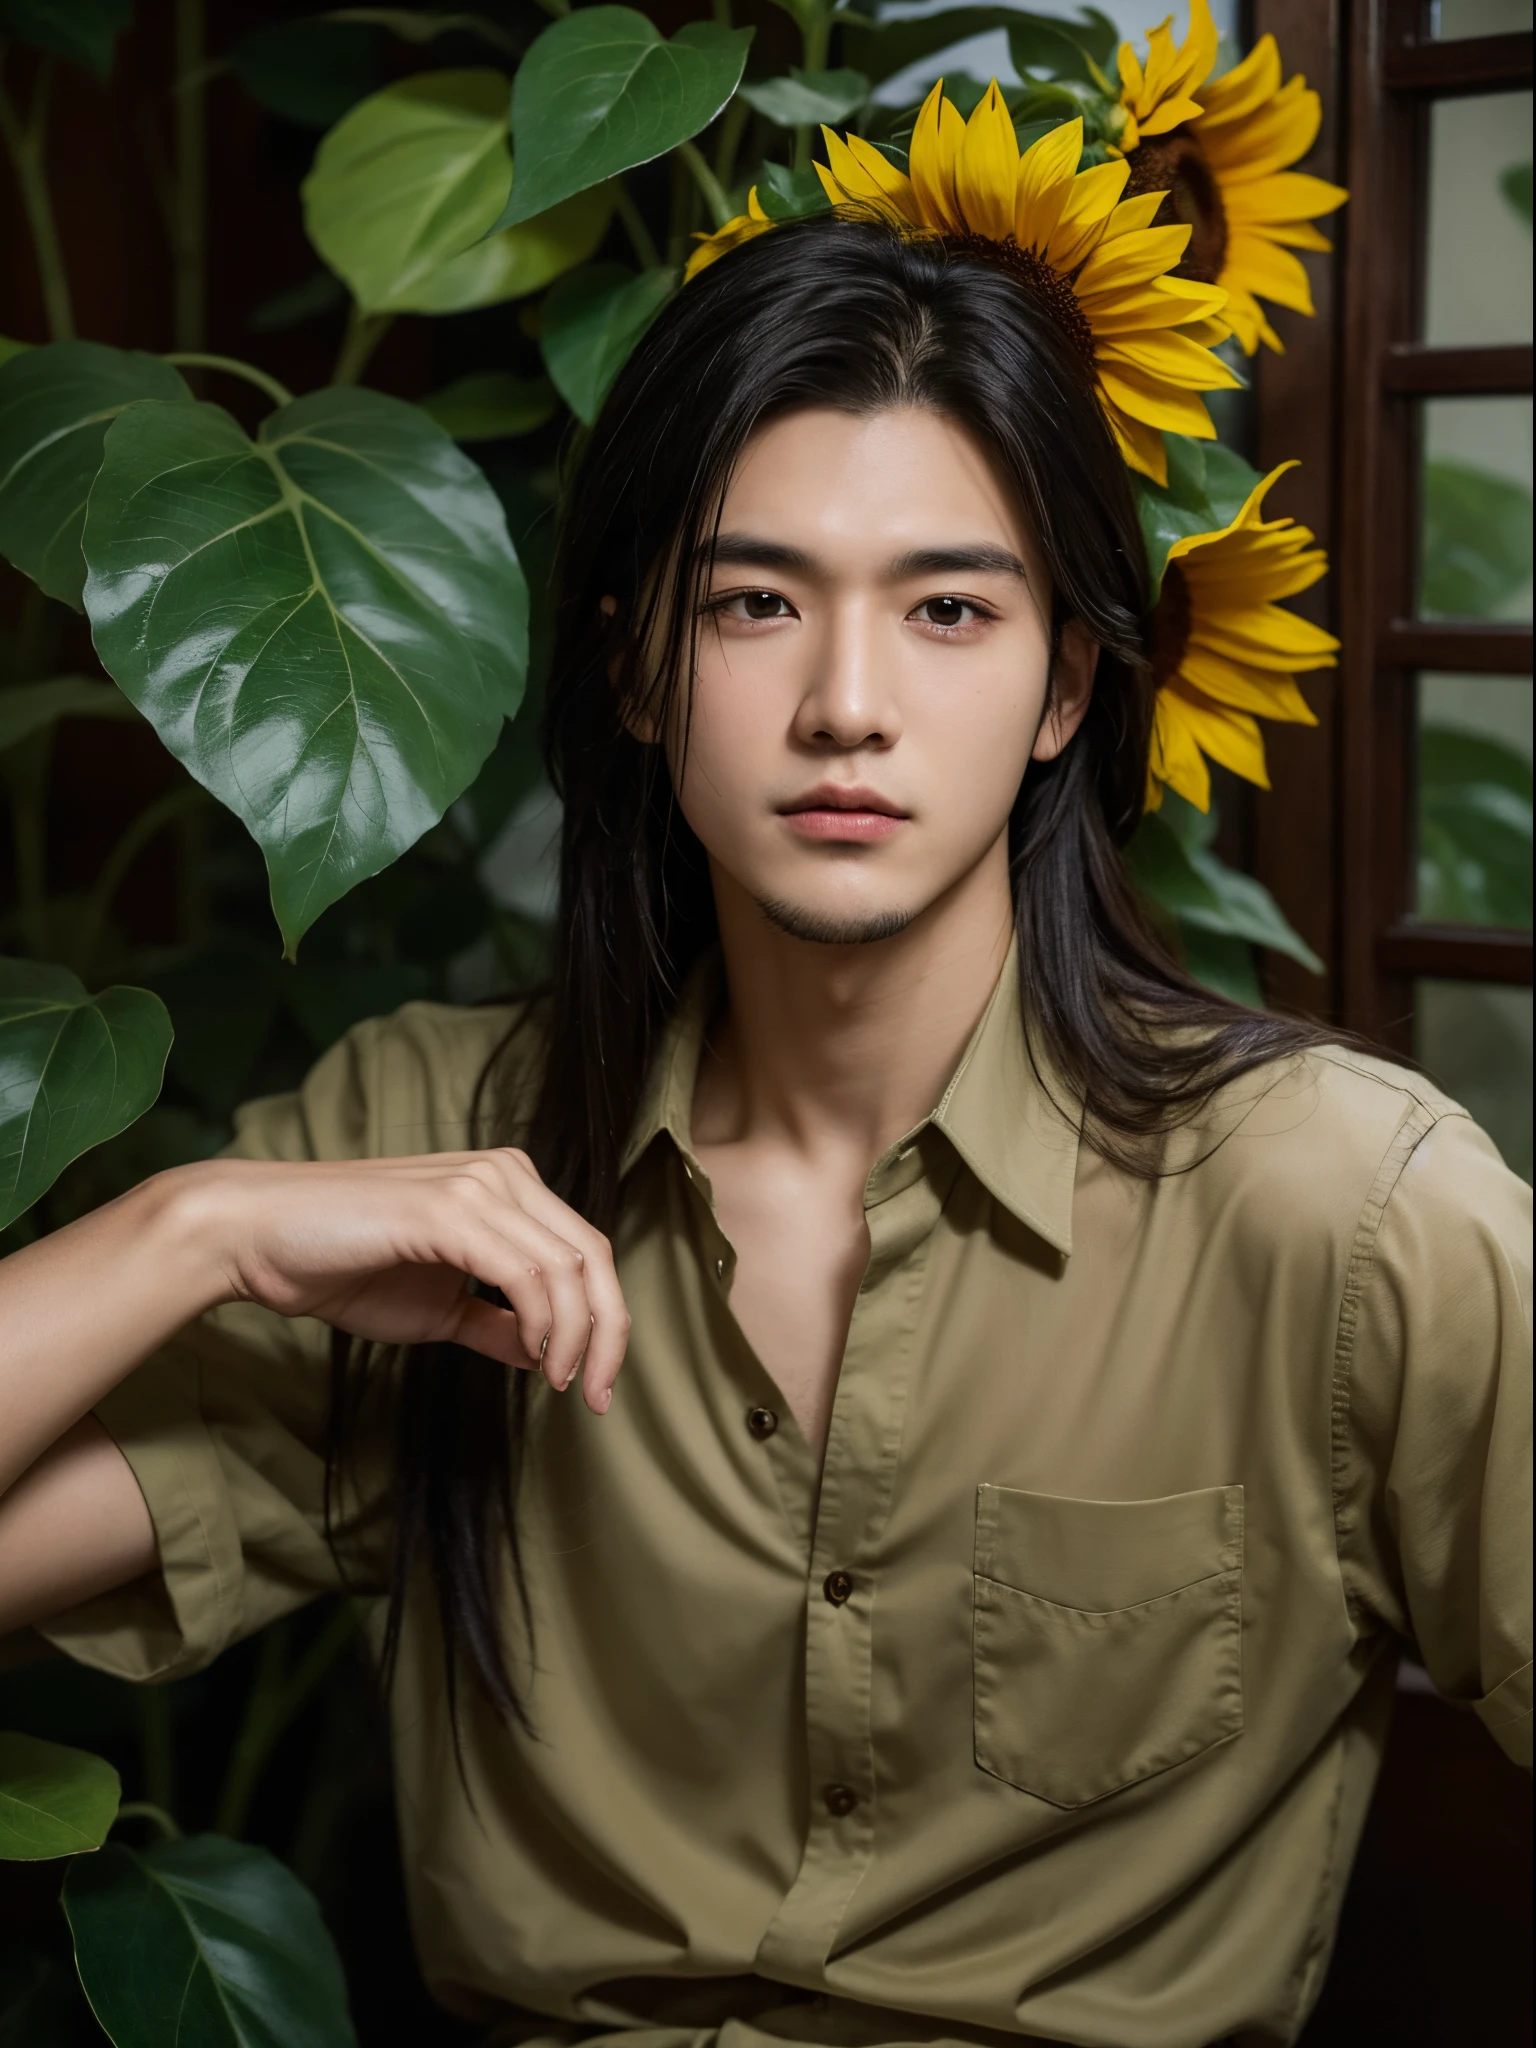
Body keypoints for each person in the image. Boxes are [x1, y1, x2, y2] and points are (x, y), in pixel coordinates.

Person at [1, 174, 1530, 2048]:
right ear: (642, 665)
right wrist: (196, 1227)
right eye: (754, 603)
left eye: (951, 608)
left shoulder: (1345, 1209)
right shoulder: (434, 1140)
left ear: (1066, 683)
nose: (847, 704)